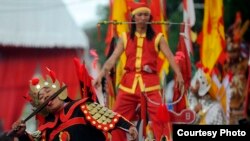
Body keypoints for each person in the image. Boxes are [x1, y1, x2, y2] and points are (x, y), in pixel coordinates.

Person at [94, 2, 184, 141]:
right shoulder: (125, 38)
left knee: (161, 118)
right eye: (140, 15)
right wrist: (100, 75)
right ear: (133, 18)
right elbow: (112, 59)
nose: (143, 18)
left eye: (146, 14)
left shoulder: (158, 38)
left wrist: (178, 75)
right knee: (116, 118)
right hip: (128, 86)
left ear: (150, 17)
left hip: (151, 86)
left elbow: (171, 57)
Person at [11, 67, 138, 141]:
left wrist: (129, 127)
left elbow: (109, 117)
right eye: (41, 98)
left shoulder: (81, 107)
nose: (46, 97)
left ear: (58, 90)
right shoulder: (46, 129)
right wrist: (22, 134)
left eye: (48, 91)